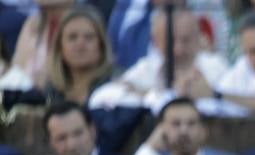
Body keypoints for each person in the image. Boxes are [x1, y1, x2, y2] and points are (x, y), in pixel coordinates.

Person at [89, 8, 227, 113]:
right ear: (156, 41)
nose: (178, 49)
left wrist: (213, 95)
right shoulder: (147, 67)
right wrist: (152, 94)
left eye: (186, 40)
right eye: (170, 41)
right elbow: (101, 98)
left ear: (198, 38)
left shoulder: (215, 66)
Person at [130, 96, 240, 155]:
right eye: (176, 124)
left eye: (191, 123)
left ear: (203, 131)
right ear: (161, 130)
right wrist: (150, 147)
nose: (184, 131)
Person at [33, 99, 128, 155]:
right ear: (50, 143)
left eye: (78, 134)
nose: (72, 145)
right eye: (61, 138)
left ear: (92, 130)